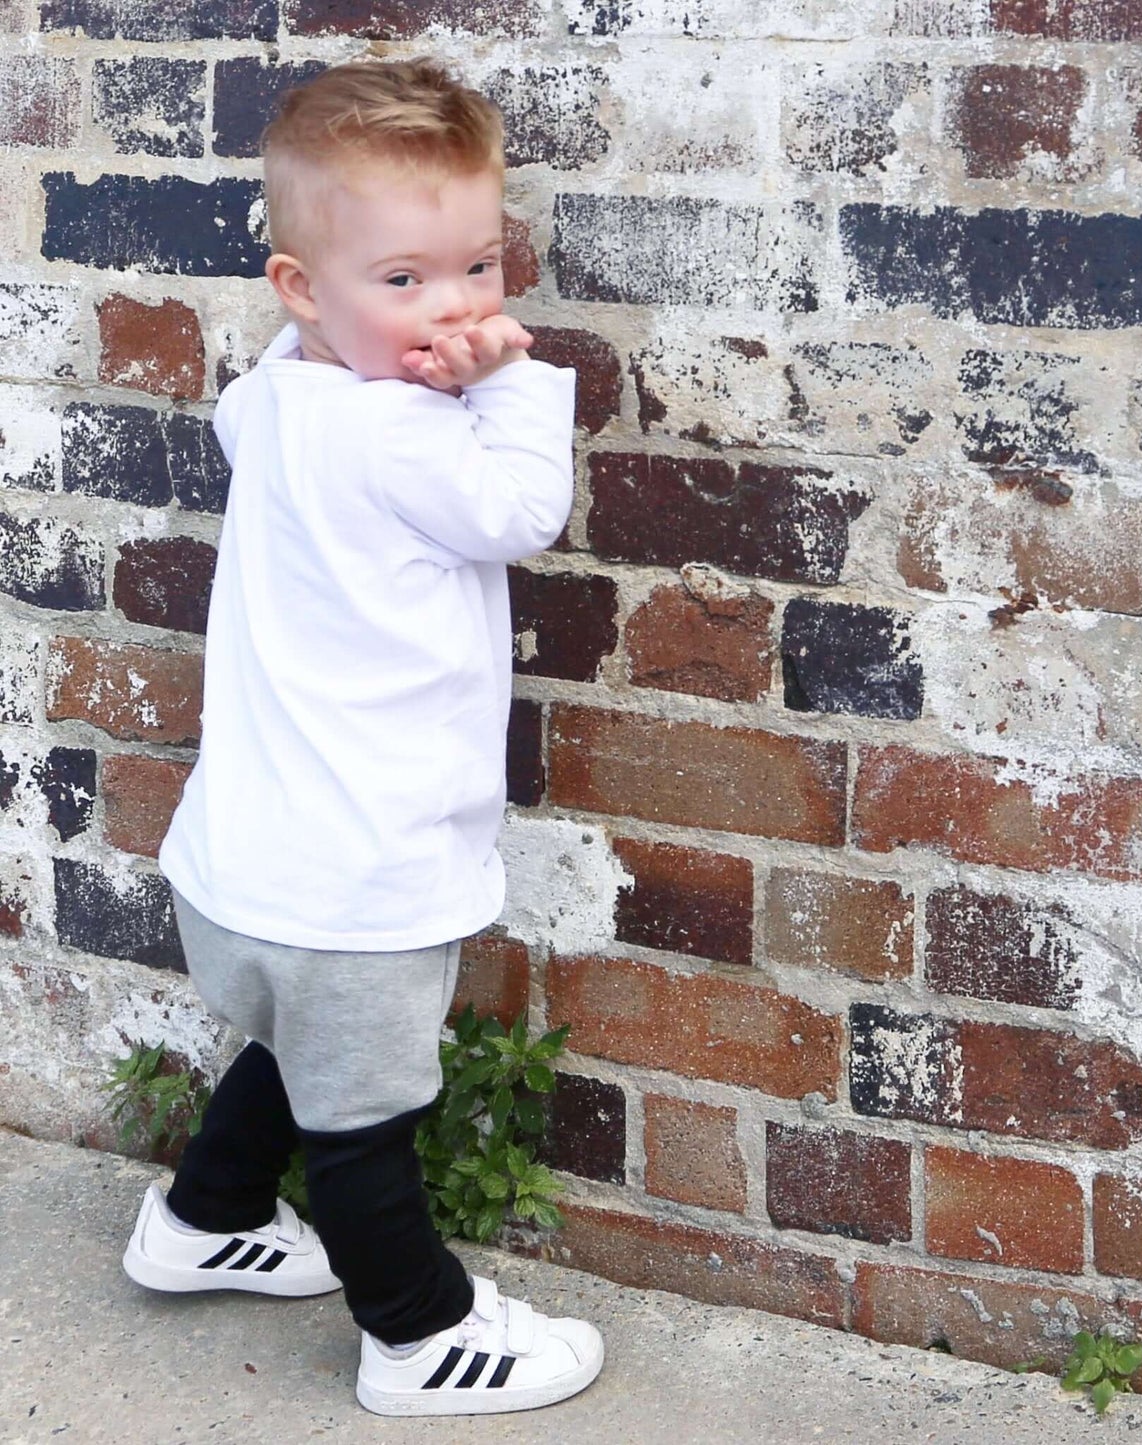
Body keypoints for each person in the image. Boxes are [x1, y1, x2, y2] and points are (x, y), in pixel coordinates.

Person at [119, 57, 604, 1418]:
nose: (449, 308)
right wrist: (511, 375)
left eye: (476, 271)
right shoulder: (401, 436)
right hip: (358, 878)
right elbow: (516, 511)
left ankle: (202, 1216)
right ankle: (417, 1330)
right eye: (401, 281)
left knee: (295, 1048)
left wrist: (373, 327)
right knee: (362, 1115)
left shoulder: (273, 399)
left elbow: (300, 387)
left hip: (246, 867)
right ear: (300, 291)